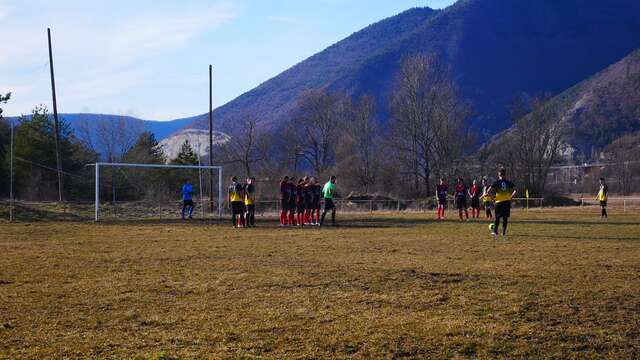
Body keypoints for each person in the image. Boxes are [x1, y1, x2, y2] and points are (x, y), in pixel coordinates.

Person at [489, 168, 516, 239]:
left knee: (497, 218)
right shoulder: (508, 182)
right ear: (505, 174)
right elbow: (515, 190)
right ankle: (503, 232)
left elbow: (488, 191)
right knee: (505, 218)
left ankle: (495, 232)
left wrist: (493, 199)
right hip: (507, 202)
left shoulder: (496, 182)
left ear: (499, 175)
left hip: (499, 202)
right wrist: (511, 196)